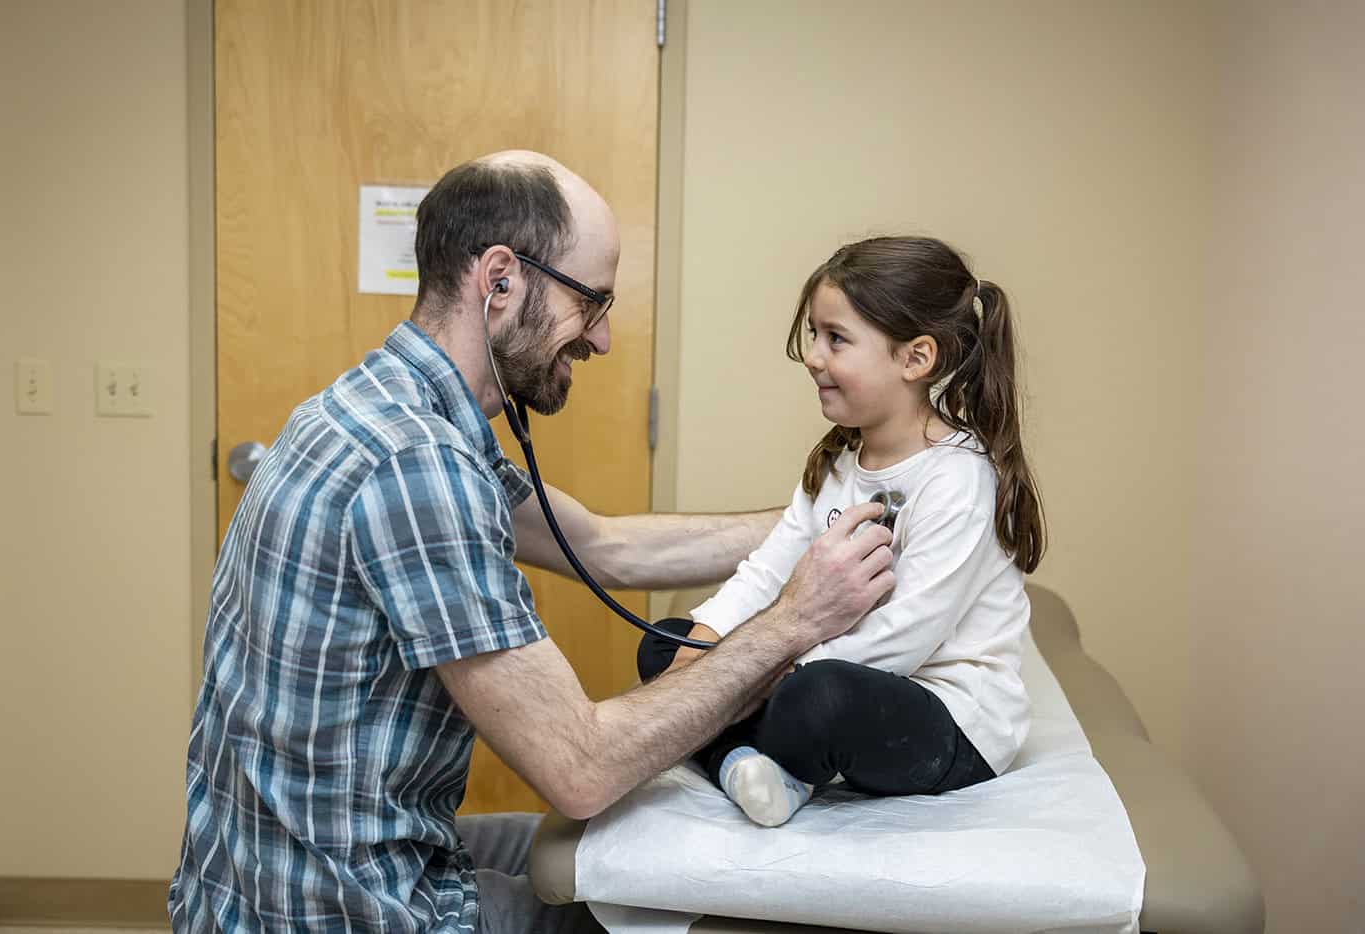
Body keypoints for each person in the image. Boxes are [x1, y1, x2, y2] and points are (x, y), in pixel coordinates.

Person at [168, 152, 896, 933]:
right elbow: (581, 768)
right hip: (335, 911)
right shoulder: (418, 468)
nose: (603, 338)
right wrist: (795, 621)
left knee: (642, 839)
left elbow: (608, 548)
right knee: (681, 909)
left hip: (270, 874)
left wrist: (827, 519)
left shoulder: (378, 406)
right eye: (591, 301)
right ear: (500, 280)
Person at [638, 236, 1046, 827]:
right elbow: (766, 572)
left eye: (836, 338)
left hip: (944, 714)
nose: (813, 356)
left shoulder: (959, 478)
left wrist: (758, 674)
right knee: (664, 644)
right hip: (822, 670)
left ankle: (741, 749)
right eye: (814, 334)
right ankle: (746, 766)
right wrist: (700, 651)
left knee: (817, 698)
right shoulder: (835, 463)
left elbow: (907, 636)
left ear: (915, 359)